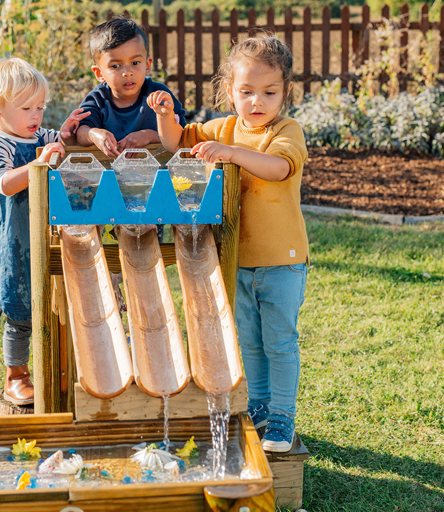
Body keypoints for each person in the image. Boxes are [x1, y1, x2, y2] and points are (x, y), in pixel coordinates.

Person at [148, 35, 309, 453]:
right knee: (249, 341)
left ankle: (283, 418)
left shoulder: (286, 130)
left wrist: (232, 153)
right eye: (247, 92)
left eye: (269, 92)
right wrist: (166, 115)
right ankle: (257, 406)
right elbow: (175, 142)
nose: (257, 102)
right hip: (236, 259)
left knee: (280, 342)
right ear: (230, 90)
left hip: (281, 261)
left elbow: (277, 168)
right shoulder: (223, 128)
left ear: (285, 92)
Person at [0, 57, 88, 405]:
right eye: (26, 108)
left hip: (46, 236)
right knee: (19, 310)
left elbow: (62, 141)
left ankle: (65, 368)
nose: (36, 116)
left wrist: (67, 131)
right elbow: (5, 183)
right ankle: (16, 376)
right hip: (14, 241)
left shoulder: (37, 134)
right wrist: (38, 164)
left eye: (41, 106)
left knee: (53, 304)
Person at [71, 16, 187, 158]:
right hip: (110, 173)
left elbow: (183, 136)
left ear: (147, 65)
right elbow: (81, 132)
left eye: (135, 63)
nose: (127, 73)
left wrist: (150, 136)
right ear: (99, 73)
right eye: (115, 66)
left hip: (158, 173)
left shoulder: (158, 96)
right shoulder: (98, 99)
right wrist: (93, 134)